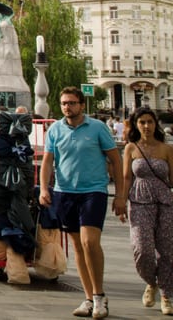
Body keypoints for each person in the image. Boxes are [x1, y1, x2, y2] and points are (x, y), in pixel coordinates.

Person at [39, 86, 126, 319]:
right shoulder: (55, 129)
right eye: (64, 103)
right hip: (64, 192)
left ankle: (99, 296)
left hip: (93, 191)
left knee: (90, 242)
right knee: (77, 246)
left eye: (72, 103)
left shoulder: (97, 128)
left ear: (81, 105)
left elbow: (116, 161)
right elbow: (48, 161)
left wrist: (120, 194)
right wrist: (45, 188)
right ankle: (89, 298)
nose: (68, 107)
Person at [121, 106, 173, 314]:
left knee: (167, 250)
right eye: (142, 122)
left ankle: (166, 295)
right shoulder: (131, 148)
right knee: (142, 249)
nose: (146, 126)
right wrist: (120, 201)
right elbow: (126, 177)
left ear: (155, 124)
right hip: (139, 201)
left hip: (165, 203)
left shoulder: (167, 148)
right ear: (136, 124)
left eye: (150, 122)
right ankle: (151, 282)